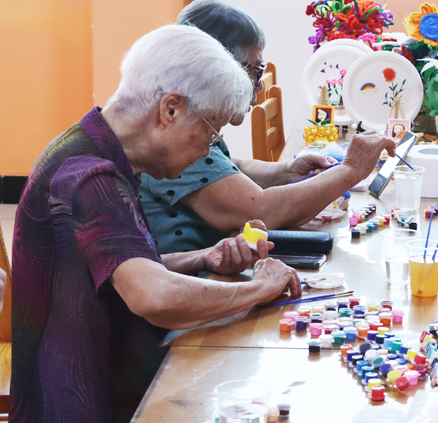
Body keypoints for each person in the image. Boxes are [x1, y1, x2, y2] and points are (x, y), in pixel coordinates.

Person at [12, 25, 303, 422]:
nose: (206, 151)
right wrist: (258, 289)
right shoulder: (88, 176)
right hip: (84, 401)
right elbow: (154, 297)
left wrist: (204, 258)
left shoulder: (99, 148)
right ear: (171, 109)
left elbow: (114, 272)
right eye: (209, 132)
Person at [140, 0, 396, 254]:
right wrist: (352, 169)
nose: (259, 87)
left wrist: (286, 171)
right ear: (214, 69)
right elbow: (261, 212)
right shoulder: (176, 129)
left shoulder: (191, 116)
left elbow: (229, 167)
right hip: (193, 278)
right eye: (254, 72)